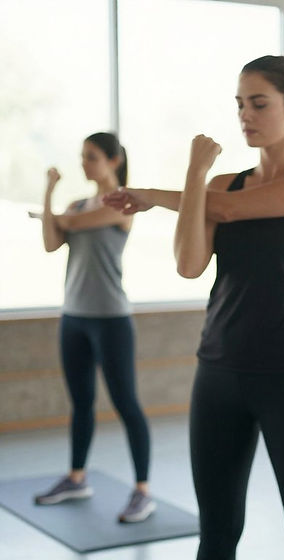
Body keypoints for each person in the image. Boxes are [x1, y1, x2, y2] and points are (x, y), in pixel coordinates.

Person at [103, 55, 284, 560]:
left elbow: (232, 211)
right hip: (217, 372)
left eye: (259, 104)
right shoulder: (217, 185)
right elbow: (189, 265)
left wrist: (154, 194)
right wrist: (196, 174)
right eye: (239, 105)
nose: (245, 116)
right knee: (215, 536)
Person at [31, 132, 156, 523]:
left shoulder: (122, 204)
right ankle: (76, 478)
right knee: (81, 403)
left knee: (126, 403)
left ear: (113, 160)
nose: (84, 163)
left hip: (112, 320)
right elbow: (51, 241)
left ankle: (142, 491)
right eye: (82, 156)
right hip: (74, 317)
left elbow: (71, 223)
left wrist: (53, 216)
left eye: (91, 157)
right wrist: (49, 193)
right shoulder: (76, 204)